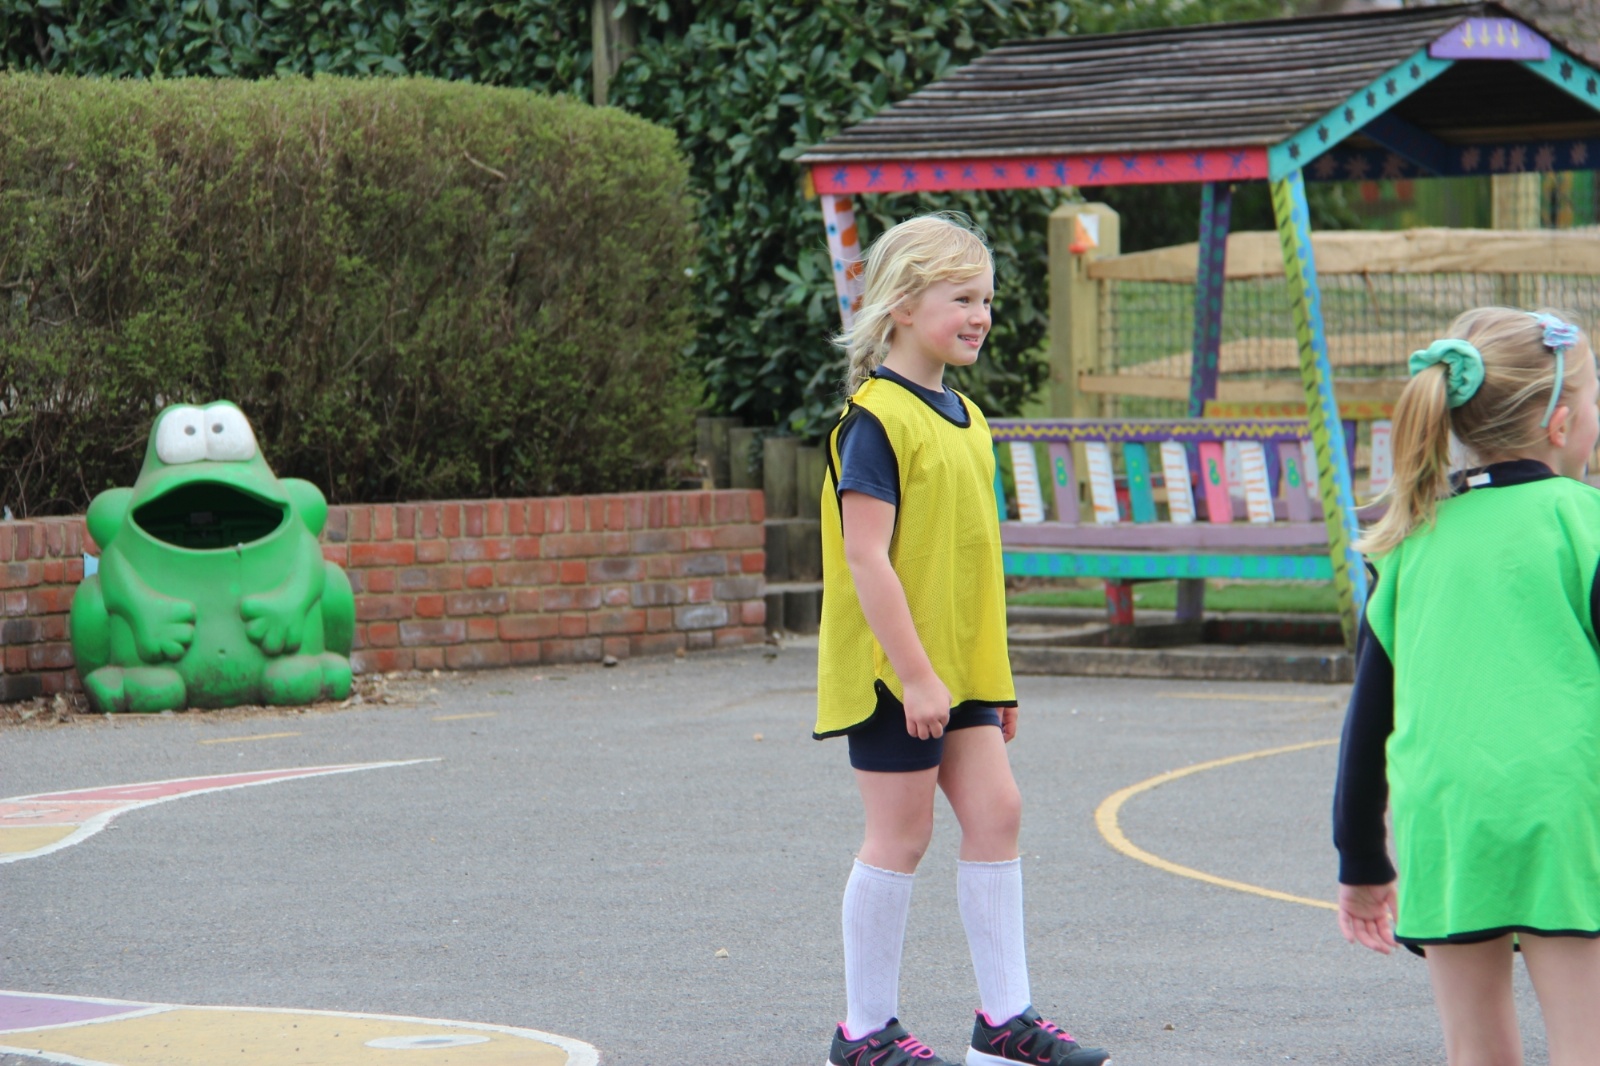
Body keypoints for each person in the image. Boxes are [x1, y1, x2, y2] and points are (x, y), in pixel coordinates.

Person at [814, 213, 1110, 1066]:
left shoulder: (969, 417)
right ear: (903, 305)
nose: (981, 316)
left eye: (986, 300)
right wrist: (915, 675)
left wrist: (993, 678)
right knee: (900, 837)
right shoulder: (875, 421)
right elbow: (866, 558)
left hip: (959, 672)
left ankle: (1004, 1026)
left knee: (998, 813)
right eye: (962, 299)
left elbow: (971, 562)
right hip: (896, 672)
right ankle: (863, 1032)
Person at [1334, 307, 1600, 1066]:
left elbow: (1368, 719)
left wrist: (1361, 860)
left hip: (1445, 817)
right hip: (1565, 813)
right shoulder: (1582, 521)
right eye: (1594, 397)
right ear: (1560, 423)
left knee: (1475, 1050)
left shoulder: (1409, 537)